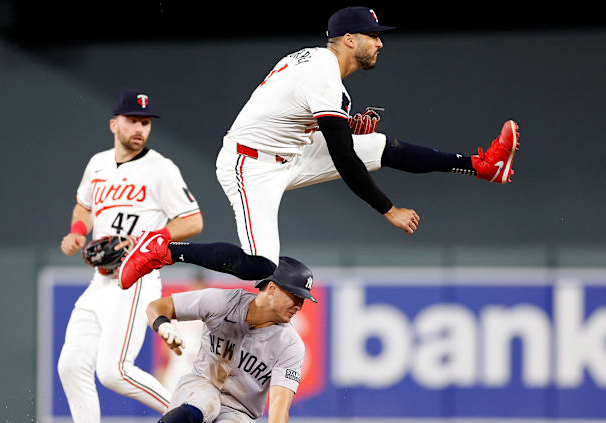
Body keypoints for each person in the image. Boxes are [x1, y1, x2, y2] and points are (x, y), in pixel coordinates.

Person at [117, 6, 520, 290]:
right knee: (259, 265)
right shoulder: (324, 74)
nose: (380, 44)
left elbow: (289, 114)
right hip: (249, 165)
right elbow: (344, 159)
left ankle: (484, 166)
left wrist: (336, 127)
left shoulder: (316, 63)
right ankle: (166, 250)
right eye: (373, 36)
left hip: (289, 151)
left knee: (382, 146)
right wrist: (389, 210)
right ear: (348, 39)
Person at [58, 88, 204, 422]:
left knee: (114, 371)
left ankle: (192, 416)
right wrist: (78, 232)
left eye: (145, 122)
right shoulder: (97, 164)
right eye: (132, 121)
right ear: (114, 124)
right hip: (100, 281)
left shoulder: (160, 169)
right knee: (71, 366)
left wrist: (150, 239)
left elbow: (192, 220)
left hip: (136, 277)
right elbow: (84, 206)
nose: (140, 128)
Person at [146, 256, 317, 423]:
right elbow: (157, 307)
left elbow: (279, 409)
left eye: (302, 300)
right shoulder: (223, 302)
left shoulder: (290, 344)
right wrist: (163, 326)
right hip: (200, 387)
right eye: (295, 296)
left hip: (240, 411)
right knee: (205, 403)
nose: (299, 306)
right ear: (272, 288)